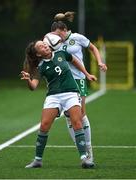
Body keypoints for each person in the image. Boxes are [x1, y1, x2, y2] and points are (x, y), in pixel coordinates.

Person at [21, 40, 97, 169]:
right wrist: (28, 79)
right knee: (44, 126)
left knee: (77, 122)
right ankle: (38, 160)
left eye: (44, 43)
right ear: (38, 54)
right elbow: (33, 86)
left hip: (71, 93)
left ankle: (84, 158)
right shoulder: (41, 67)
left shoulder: (61, 53)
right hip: (54, 96)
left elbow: (75, 61)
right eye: (40, 46)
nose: (44, 45)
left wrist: (87, 74)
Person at [49, 11, 107, 166]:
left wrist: (100, 62)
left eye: (56, 34)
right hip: (63, 81)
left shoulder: (77, 38)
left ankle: (89, 153)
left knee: (80, 116)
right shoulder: (54, 42)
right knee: (69, 116)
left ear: (63, 30)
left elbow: (93, 48)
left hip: (78, 80)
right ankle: (82, 153)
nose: (55, 37)